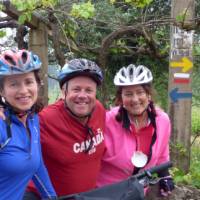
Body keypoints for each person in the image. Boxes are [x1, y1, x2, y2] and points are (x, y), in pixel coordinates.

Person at [24, 58, 106, 199]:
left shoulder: (98, 109)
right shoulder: (45, 120)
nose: (82, 96)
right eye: (76, 89)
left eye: (89, 90)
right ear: (63, 91)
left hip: (88, 196)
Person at [96, 64, 174, 197]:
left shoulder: (162, 121)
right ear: (121, 99)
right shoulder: (106, 121)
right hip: (106, 193)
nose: (135, 99)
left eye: (140, 92)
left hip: (138, 192)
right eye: (128, 94)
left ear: (148, 95)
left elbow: (162, 155)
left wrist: (165, 176)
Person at [0, 49, 57, 200]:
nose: (23, 90)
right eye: (13, 84)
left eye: (29, 82)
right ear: (2, 91)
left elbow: (37, 166)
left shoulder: (32, 119)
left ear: (38, 84)